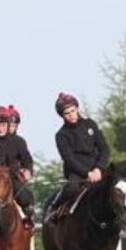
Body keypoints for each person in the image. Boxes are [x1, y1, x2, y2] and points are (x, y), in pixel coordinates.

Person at [47, 92, 111, 220]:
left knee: (116, 188)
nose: (71, 115)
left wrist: (98, 168)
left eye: (73, 110)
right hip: (77, 173)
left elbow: (104, 149)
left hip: (98, 169)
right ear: (62, 116)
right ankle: (54, 211)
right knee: (71, 189)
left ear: (77, 109)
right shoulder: (61, 135)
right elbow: (69, 159)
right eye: (67, 113)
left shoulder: (90, 124)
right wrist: (87, 173)